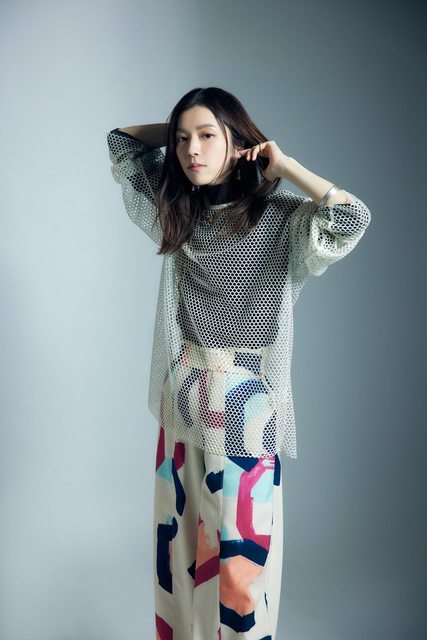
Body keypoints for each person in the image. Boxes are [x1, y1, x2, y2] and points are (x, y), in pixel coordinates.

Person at [106, 86, 371, 640]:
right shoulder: (177, 213)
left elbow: (351, 218)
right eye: (182, 139)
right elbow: (122, 143)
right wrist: (180, 126)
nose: (190, 150)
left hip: (246, 404)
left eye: (207, 137)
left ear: (239, 142)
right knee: (178, 552)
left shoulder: (279, 218)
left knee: (237, 562)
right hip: (184, 395)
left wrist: (284, 165)